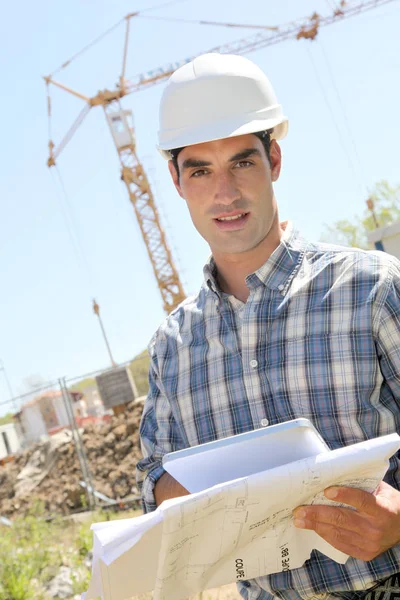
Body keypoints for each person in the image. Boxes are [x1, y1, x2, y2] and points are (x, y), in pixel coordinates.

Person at [136, 53, 400, 600]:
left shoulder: (371, 287)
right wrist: (175, 496)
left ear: (274, 158)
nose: (225, 193)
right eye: (201, 170)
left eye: (242, 163)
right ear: (176, 180)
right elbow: (153, 480)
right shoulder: (173, 348)